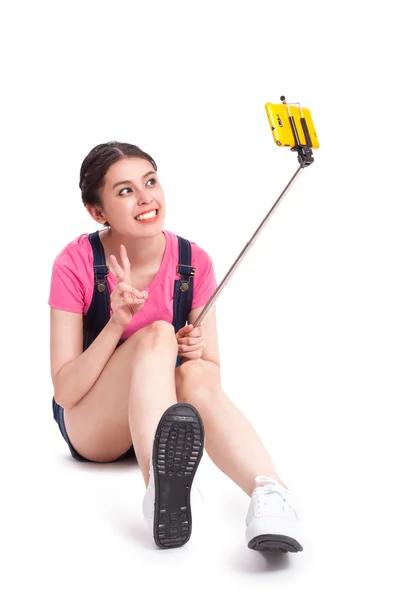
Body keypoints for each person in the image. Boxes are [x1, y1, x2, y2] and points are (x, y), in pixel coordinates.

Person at [48, 141, 303, 553]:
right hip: (93, 428)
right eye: (125, 191)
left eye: (151, 182)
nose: (146, 197)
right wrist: (117, 324)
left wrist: (195, 350)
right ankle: (160, 495)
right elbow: (66, 392)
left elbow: (209, 379)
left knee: (192, 367)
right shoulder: (75, 263)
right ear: (98, 212)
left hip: (161, 412)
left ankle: (269, 496)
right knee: (157, 333)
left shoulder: (193, 262)